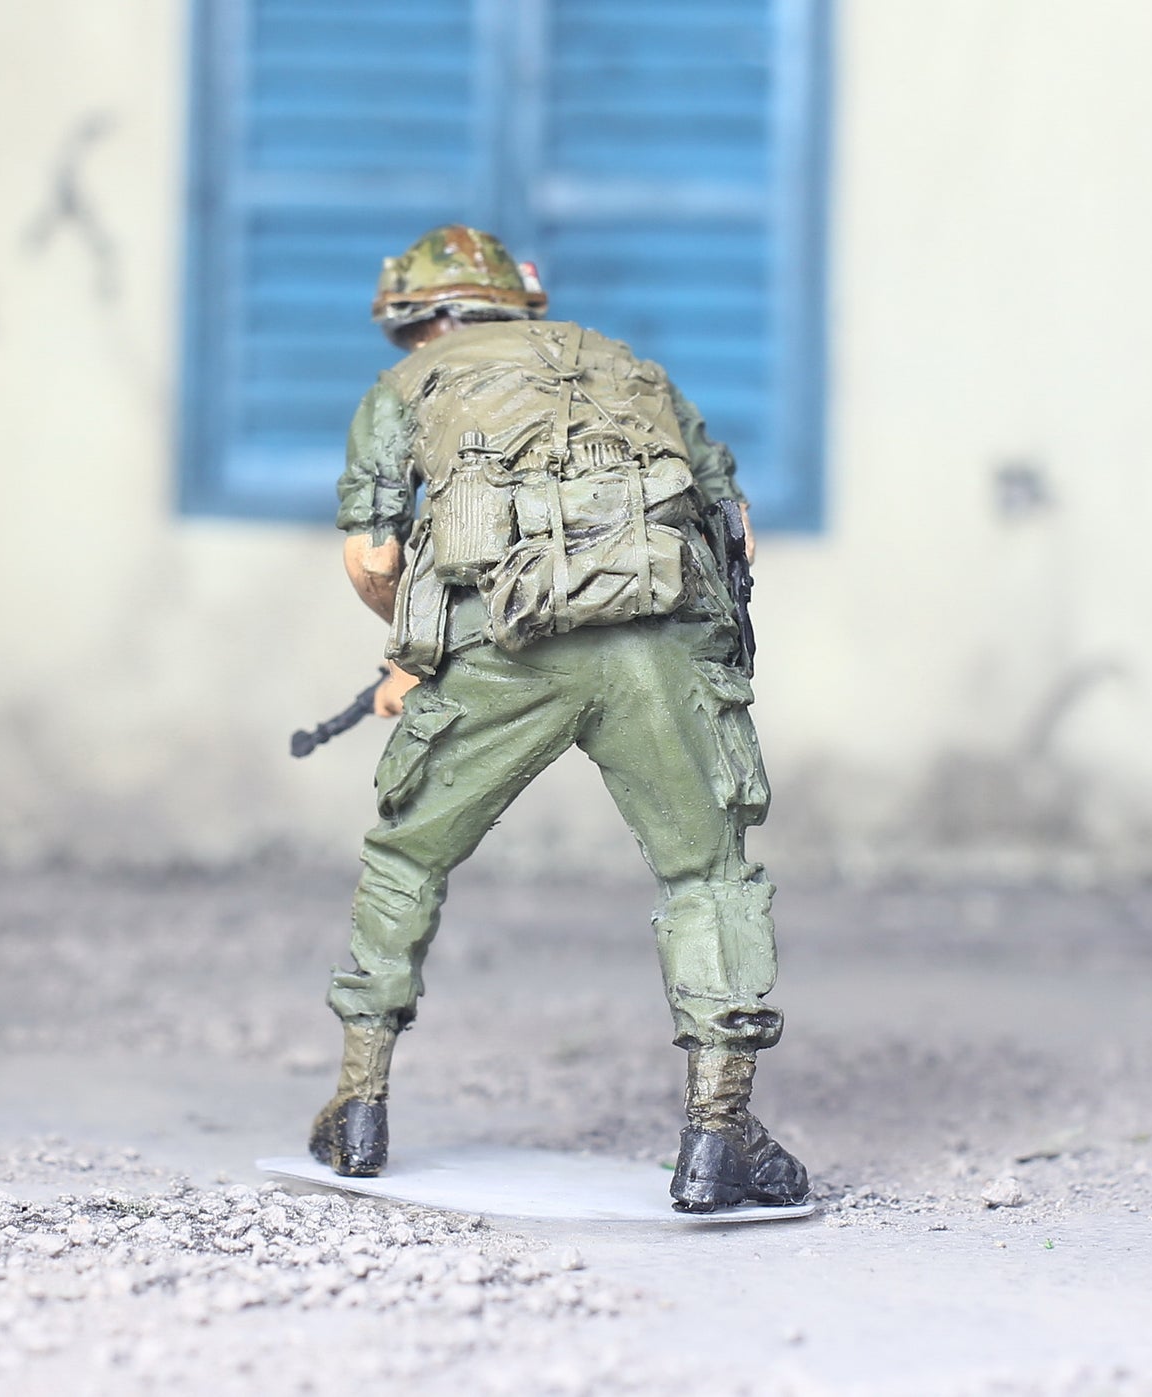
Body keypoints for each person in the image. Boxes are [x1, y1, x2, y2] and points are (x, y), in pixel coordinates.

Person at [310, 224, 807, 1213]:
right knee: (707, 876)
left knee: (407, 856)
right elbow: (735, 529)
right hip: (656, 644)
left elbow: (374, 558)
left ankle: (358, 1105)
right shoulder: (629, 367)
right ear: (517, 300)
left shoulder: (402, 388)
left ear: (418, 318)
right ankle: (719, 1131)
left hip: (502, 649)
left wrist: (411, 657)